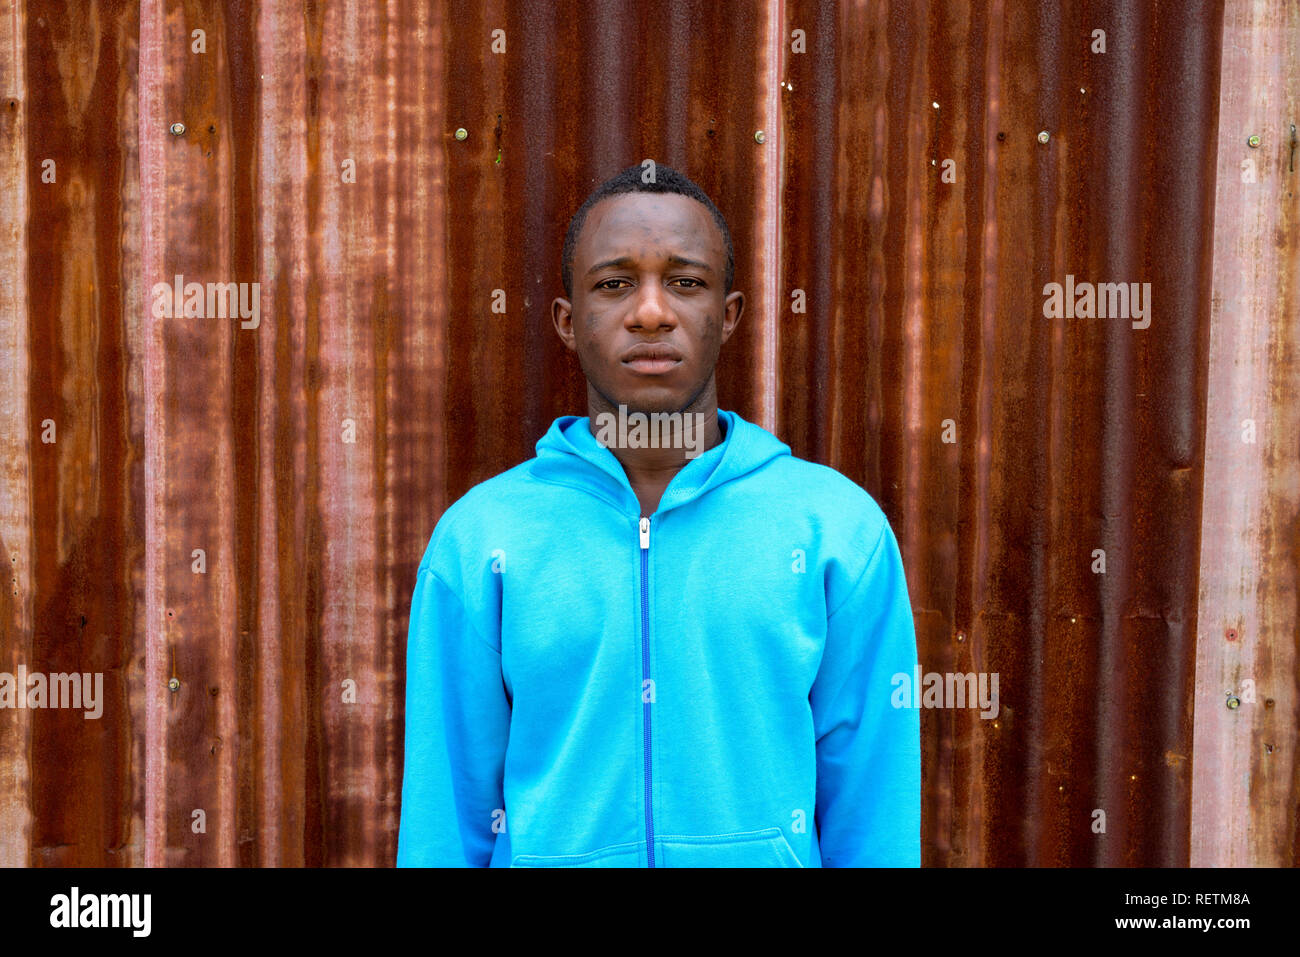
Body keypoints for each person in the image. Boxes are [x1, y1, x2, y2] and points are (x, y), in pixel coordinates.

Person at [396, 163, 920, 867]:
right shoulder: (482, 540)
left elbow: (875, 818)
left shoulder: (836, 532)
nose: (650, 312)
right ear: (567, 319)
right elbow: (444, 820)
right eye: (614, 284)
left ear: (727, 316)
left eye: (685, 281)